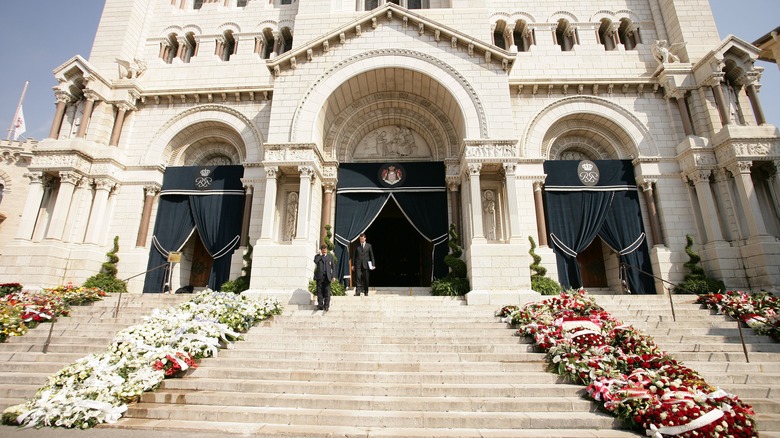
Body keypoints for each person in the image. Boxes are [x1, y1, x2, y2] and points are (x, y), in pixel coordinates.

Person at [313, 243, 335, 311]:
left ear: (327, 249)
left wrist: (333, 276)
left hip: (327, 277)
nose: (324, 250)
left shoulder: (330, 257)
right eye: (323, 249)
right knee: (319, 291)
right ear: (321, 250)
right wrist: (320, 255)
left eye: (325, 249)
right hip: (319, 276)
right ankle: (320, 305)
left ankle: (326, 306)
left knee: (327, 291)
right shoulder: (318, 256)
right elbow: (315, 261)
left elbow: (333, 267)